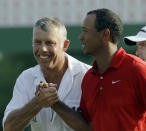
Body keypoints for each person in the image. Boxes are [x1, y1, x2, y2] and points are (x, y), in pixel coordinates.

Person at [36, 9, 146, 131]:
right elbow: (87, 127)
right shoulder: (89, 78)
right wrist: (54, 102)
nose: (80, 37)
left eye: (85, 31)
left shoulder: (138, 70)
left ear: (105, 34)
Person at [3, 17, 91, 131]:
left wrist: (55, 103)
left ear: (65, 45)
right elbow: (9, 128)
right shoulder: (26, 78)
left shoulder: (88, 75)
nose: (43, 49)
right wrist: (37, 102)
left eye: (49, 43)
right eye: (37, 42)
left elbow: (95, 127)